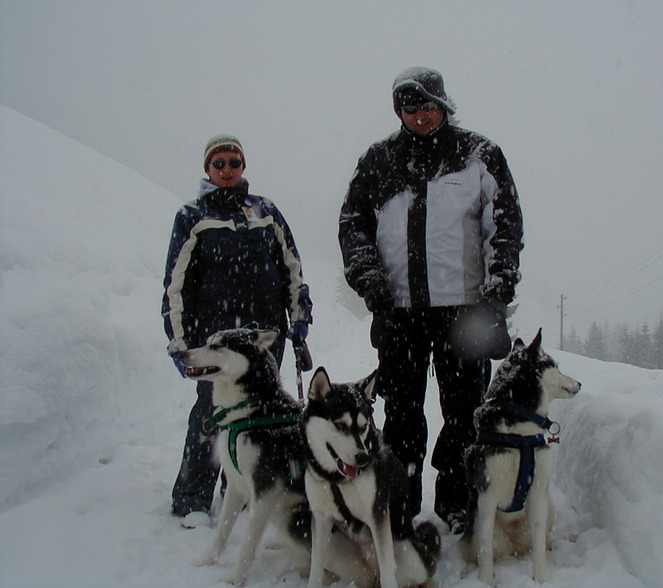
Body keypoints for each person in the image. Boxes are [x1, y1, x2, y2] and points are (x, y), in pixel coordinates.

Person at [338, 67, 523, 533]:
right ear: (398, 112)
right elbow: (353, 226)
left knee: (464, 412)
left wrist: (497, 297)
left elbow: (504, 229)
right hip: (399, 311)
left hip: (465, 312)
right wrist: (373, 287)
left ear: (443, 105)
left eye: (426, 106)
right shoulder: (379, 161)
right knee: (401, 417)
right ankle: (398, 506)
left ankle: (456, 504)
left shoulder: (479, 155)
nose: (419, 116)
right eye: (408, 108)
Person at [162, 134, 312, 527]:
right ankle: (193, 497)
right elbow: (175, 285)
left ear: (243, 166)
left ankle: (243, 491)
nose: (227, 169)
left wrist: (299, 315)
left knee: (260, 414)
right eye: (219, 163)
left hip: (265, 337)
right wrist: (179, 343)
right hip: (216, 338)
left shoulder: (266, 210)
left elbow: (291, 268)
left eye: (234, 162)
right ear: (208, 169)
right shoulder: (192, 216)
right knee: (210, 414)